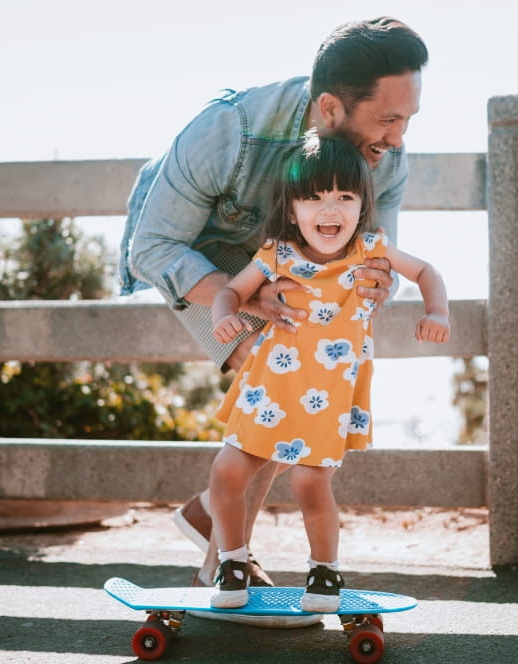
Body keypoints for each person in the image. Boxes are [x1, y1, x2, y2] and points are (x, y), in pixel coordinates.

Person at [119, 16, 429, 624]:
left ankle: (214, 515)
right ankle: (218, 555)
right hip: (195, 251)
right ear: (332, 108)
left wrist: (378, 282)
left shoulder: (385, 156)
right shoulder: (228, 129)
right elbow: (152, 246)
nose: (397, 138)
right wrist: (241, 299)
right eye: (388, 119)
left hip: (286, 260)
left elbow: (373, 259)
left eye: (408, 120)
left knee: (298, 374)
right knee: (279, 371)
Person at [207, 132, 450, 610]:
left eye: (345, 196)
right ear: (292, 207)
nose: (329, 210)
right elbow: (229, 293)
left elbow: (426, 272)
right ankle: (232, 562)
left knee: (308, 482)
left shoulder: (369, 248)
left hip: (328, 393)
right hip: (271, 386)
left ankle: (324, 573)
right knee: (227, 471)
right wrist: (224, 316)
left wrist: (436, 312)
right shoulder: (277, 253)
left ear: (363, 204)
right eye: (313, 198)